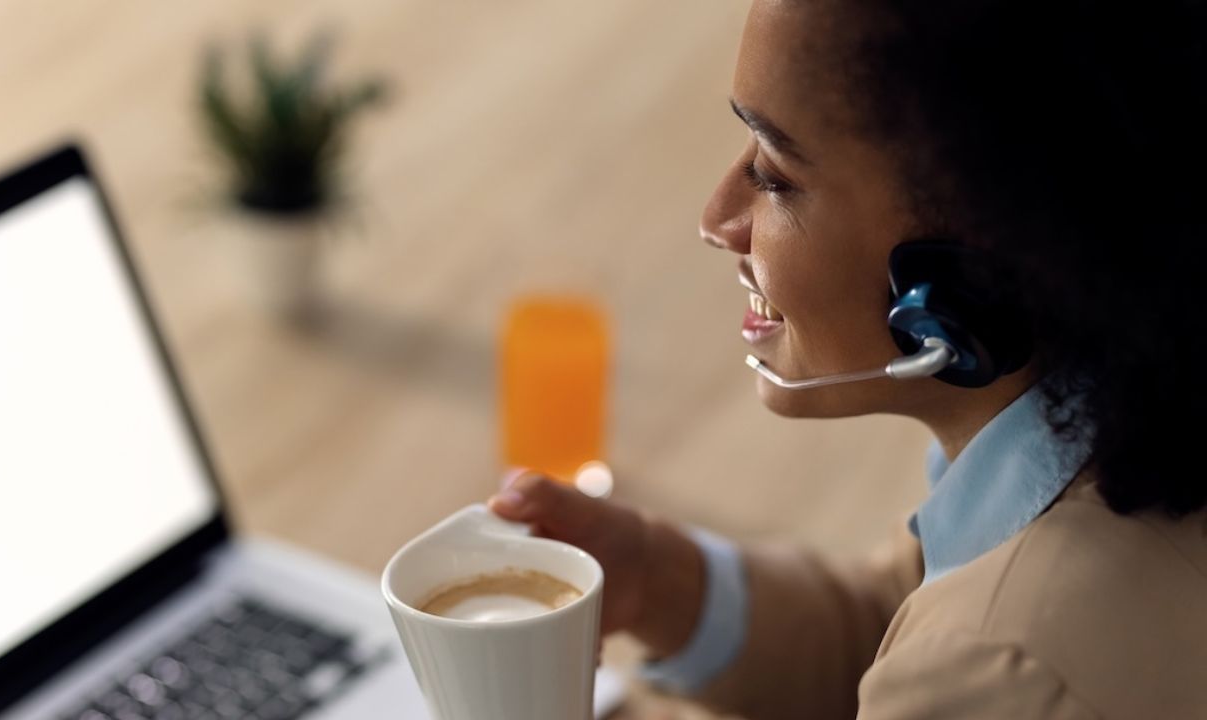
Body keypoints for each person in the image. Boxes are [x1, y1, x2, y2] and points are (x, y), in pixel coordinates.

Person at [488, 1, 1207, 718]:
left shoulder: (1008, 666)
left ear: (970, 277)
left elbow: (960, 664)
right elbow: (902, 625)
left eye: (773, 174)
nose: (716, 219)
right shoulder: (1107, 416)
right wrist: (657, 580)